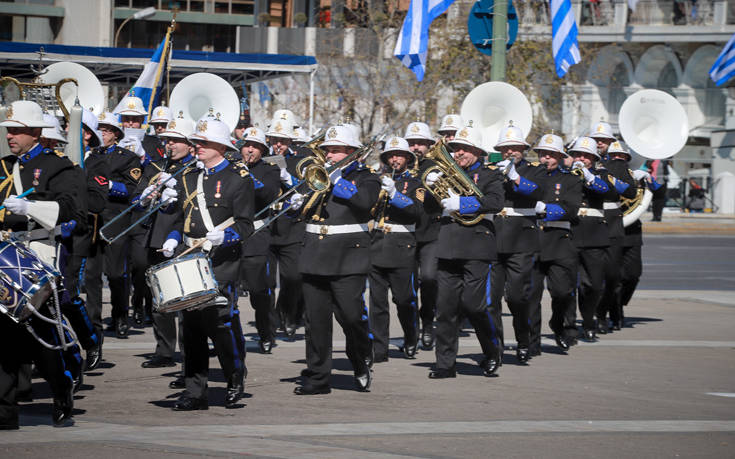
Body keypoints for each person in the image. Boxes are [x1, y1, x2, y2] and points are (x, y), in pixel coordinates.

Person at [160, 114, 253, 410]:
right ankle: (195, 392)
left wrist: (225, 237)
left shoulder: (238, 180)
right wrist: (173, 237)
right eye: (196, 142)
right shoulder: (189, 178)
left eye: (203, 142)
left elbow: (247, 225)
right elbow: (180, 219)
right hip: (190, 259)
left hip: (222, 262)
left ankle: (234, 376)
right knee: (191, 328)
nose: (196, 146)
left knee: (219, 324)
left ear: (221, 147)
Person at [0, 100, 83, 428]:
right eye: (9, 129)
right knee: (3, 338)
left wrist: (29, 208)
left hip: (39, 258)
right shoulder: (3, 166)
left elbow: (73, 211)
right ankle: (5, 413)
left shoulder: (58, 167)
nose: (11, 135)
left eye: (18, 130)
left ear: (36, 133)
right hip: (6, 260)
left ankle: (62, 390)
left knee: (43, 338)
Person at [292, 124, 379, 395]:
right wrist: (293, 203)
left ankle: (362, 358)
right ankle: (317, 377)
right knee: (315, 321)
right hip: (314, 254)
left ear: (353, 153)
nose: (329, 156)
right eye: (328, 150)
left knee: (352, 317)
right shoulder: (315, 176)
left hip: (347, 256)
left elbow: (365, 203)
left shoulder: (367, 177)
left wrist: (336, 180)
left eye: (337, 151)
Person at [424, 122, 504, 379]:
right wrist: (431, 186)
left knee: (475, 306)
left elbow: (495, 202)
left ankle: (492, 351)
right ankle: (445, 364)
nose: (459, 153)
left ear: (478, 152)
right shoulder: (445, 172)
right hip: (449, 245)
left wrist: (464, 202)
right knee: (445, 309)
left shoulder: (491, 174)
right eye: (456, 148)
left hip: (478, 245)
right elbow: (429, 209)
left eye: (465, 149)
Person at [137, 114, 197, 370]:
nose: (169, 144)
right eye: (167, 139)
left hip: (182, 239)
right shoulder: (158, 166)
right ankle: (163, 349)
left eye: (175, 140)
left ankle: (189, 355)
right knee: (158, 299)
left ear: (189, 144)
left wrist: (177, 190)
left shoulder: (195, 169)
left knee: (184, 301)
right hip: (156, 237)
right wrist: (146, 197)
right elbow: (138, 198)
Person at [489, 123, 545, 364]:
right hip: (493, 239)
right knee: (490, 300)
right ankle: (495, 348)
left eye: (515, 148)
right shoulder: (491, 169)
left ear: (523, 149)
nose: (510, 152)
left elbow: (537, 191)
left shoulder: (535, 170)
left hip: (522, 240)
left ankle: (524, 340)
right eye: (506, 148)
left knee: (516, 297)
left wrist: (514, 176)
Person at [85, 109, 142, 339]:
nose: (101, 133)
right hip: (92, 220)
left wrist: (109, 185)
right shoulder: (90, 155)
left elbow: (133, 189)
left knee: (117, 274)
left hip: (115, 220)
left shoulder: (126, 157)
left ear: (116, 134)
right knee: (91, 275)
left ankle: (120, 316)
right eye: (98, 129)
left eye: (105, 130)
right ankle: (93, 321)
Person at [527, 134, 583, 355]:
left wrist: (546, 209)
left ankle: (558, 324)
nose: (546, 158)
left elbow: (571, 210)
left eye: (551, 155)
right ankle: (532, 342)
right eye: (542, 154)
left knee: (562, 292)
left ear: (559, 157)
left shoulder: (571, 180)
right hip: (531, 241)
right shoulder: (529, 176)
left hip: (559, 241)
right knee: (531, 295)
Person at [369, 136, 421, 362]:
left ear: (407, 158)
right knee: (377, 302)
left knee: (404, 299)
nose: (394, 159)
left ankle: (411, 337)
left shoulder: (417, 182)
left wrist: (394, 194)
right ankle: (379, 348)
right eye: (391, 155)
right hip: (378, 243)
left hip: (402, 245)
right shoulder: (379, 178)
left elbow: (415, 211)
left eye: (399, 155)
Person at [568, 136, 618, 343]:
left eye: (586, 156)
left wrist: (588, 176)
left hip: (594, 235)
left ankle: (589, 320)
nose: (581, 159)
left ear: (594, 159)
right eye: (578, 155)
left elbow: (608, 192)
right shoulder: (565, 175)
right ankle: (568, 327)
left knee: (594, 285)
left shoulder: (602, 175)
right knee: (568, 286)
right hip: (569, 233)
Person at [238, 127, 281, 353]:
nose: (250, 150)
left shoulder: (269, 170)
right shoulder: (232, 166)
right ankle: (228, 336)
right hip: (231, 236)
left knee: (259, 292)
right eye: (247, 145)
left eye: (255, 146)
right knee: (227, 292)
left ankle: (266, 332)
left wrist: (248, 176)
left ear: (262, 150)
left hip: (256, 236)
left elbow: (268, 195)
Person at [266, 109, 307, 339]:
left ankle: (290, 313)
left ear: (290, 140)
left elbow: (308, 188)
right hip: (268, 226)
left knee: (293, 276)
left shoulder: (301, 160)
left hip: (292, 225)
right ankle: (271, 324)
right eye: (275, 140)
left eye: (283, 140)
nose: (279, 144)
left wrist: (287, 178)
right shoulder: (262, 158)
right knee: (267, 281)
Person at [404, 121, 441, 350]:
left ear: (428, 145)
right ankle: (411, 331)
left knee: (429, 278)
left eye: (420, 143)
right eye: (412, 143)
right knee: (406, 287)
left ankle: (428, 322)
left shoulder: (437, 167)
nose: (416, 147)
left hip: (430, 231)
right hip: (405, 233)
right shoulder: (398, 165)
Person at [596, 132, 638, 334]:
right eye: (615, 158)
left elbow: (633, 193)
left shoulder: (630, 174)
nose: (618, 162)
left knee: (626, 276)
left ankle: (616, 309)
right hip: (599, 225)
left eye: (622, 158)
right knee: (600, 278)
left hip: (627, 228)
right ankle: (603, 314)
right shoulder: (596, 169)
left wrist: (650, 182)